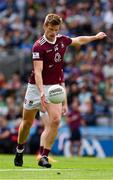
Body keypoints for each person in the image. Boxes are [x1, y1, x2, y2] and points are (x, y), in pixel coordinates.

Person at [14, 13, 107, 168]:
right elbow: (38, 72)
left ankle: (44, 156)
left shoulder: (62, 40)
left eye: (56, 29)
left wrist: (95, 37)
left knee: (56, 120)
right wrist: (41, 92)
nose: (53, 32)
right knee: (27, 123)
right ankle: (19, 149)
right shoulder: (38, 46)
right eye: (51, 29)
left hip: (53, 87)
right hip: (35, 88)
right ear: (45, 26)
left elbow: (78, 40)